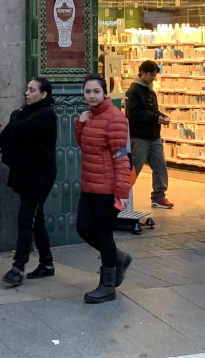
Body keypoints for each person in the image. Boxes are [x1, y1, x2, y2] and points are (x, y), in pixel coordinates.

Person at [0, 77, 57, 287]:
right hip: (26, 173)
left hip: (40, 176)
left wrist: (14, 115)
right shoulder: (28, 111)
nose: (27, 93)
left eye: (32, 90)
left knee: (26, 218)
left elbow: (18, 127)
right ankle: (47, 264)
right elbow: (12, 129)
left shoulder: (46, 114)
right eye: (27, 89)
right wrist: (2, 141)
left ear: (44, 94)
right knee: (36, 219)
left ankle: (18, 267)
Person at [75, 73, 132, 304]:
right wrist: (80, 124)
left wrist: (121, 193)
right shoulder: (89, 117)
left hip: (107, 189)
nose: (91, 96)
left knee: (102, 234)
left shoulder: (115, 118)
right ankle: (119, 258)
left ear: (104, 93)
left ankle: (108, 285)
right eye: (88, 92)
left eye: (96, 91)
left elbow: (121, 158)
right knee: (83, 228)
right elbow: (84, 145)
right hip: (89, 184)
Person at [125, 59, 174, 209]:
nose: (154, 78)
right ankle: (123, 194)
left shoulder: (150, 90)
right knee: (135, 166)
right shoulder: (133, 91)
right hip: (139, 136)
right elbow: (133, 114)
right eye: (152, 75)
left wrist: (161, 116)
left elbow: (152, 111)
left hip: (154, 136)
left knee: (160, 165)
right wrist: (156, 118)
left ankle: (159, 196)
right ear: (143, 73)